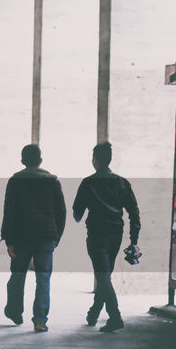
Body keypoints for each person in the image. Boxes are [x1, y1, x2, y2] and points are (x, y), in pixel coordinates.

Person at [72, 142, 141, 332]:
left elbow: (77, 213)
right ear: (110, 160)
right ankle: (94, 313)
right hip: (116, 235)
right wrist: (133, 240)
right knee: (105, 275)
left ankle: (115, 316)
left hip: (96, 234)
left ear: (95, 160)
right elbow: (134, 212)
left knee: (102, 275)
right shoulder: (122, 183)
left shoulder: (88, 183)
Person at [1, 143, 66, 332]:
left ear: (22, 161)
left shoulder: (15, 181)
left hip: (22, 236)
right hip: (46, 236)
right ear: (40, 160)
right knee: (43, 278)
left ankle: (14, 311)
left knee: (17, 275)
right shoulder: (52, 181)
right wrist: (57, 235)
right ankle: (40, 319)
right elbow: (61, 211)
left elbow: (9, 212)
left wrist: (9, 240)